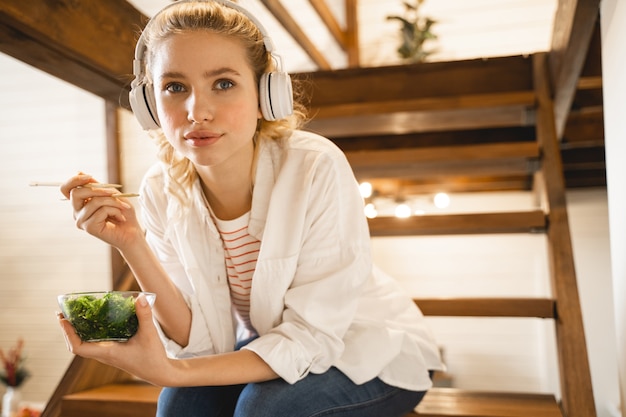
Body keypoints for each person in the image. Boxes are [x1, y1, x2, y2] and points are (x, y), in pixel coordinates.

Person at [58, 1, 443, 416]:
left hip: (368, 349)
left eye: (223, 83)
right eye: (174, 87)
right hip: (277, 343)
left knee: (263, 410)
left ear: (266, 94)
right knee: (180, 406)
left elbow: (312, 337)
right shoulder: (159, 188)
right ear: (150, 105)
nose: (197, 112)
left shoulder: (315, 165)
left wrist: (173, 372)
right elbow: (203, 342)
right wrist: (131, 243)